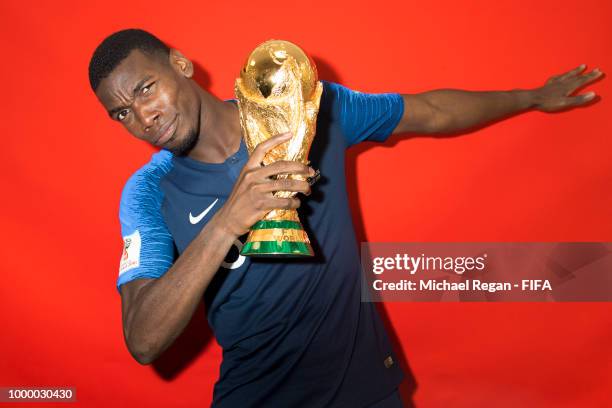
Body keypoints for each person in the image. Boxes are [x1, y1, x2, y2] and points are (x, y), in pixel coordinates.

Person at [88, 29, 602, 407]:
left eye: (145, 89)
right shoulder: (148, 192)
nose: (143, 116)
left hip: (366, 392)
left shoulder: (302, 110)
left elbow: (430, 112)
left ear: (180, 64)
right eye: (121, 113)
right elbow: (143, 338)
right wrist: (226, 222)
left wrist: (531, 97)